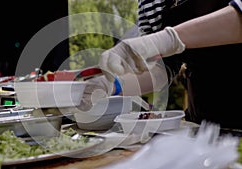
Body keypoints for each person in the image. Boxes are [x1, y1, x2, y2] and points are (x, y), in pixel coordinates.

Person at [80, 0, 242, 129]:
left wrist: (166, 39)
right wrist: (111, 84)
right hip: (204, 123)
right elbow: (160, 69)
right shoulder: (150, 3)